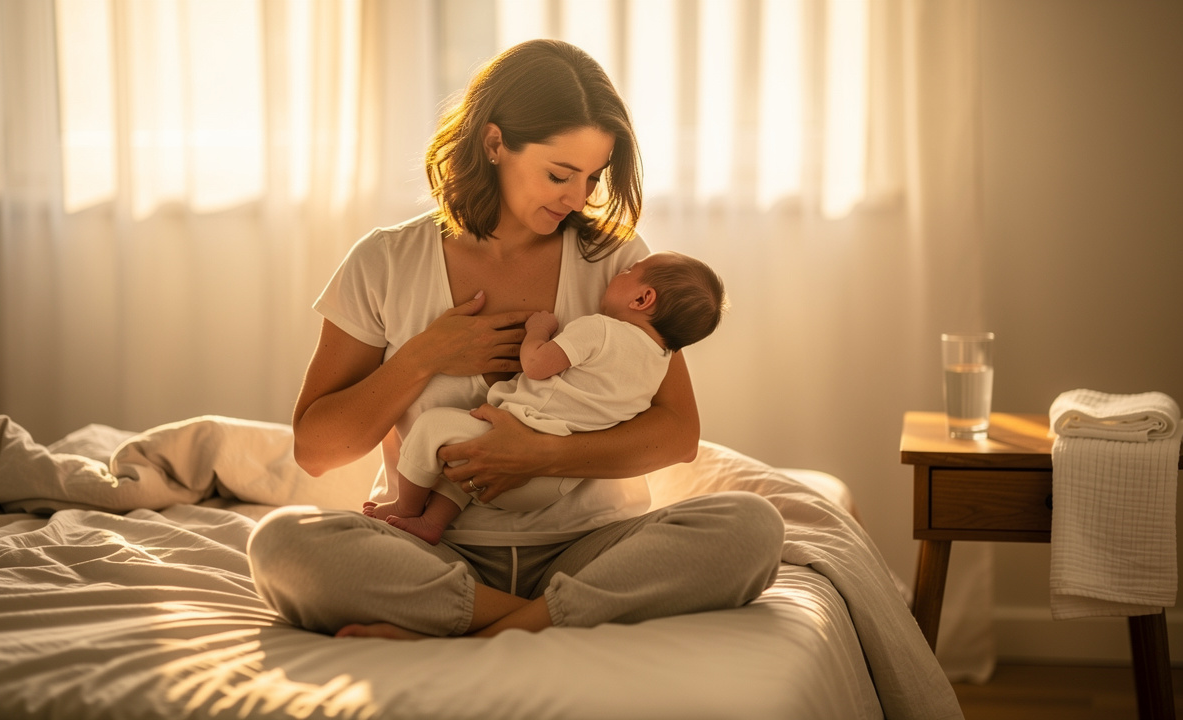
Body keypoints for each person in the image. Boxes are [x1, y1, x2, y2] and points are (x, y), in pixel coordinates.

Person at [247, 38, 783, 640]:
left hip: (588, 547)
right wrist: (425, 356)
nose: (579, 199)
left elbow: (678, 434)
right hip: (435, 549)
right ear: (494, 143)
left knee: (751, 527)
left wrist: (544, 456)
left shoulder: (618, 264)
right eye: (559, 174)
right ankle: (535, 622)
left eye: (592, 177)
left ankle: (466, 629)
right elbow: (318, 450)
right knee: (284, 546)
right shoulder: (384, 262)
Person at [365, 250, 727, 545]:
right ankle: (433, 522)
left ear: (643, 298)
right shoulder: (657, 366)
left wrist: (538, 331)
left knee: (432, 427)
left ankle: (407, 508)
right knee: (466, 466)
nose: (622, 270)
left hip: (522, 438)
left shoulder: (599, 329)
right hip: (555, 486)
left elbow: (537, 365)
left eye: (631, 270)